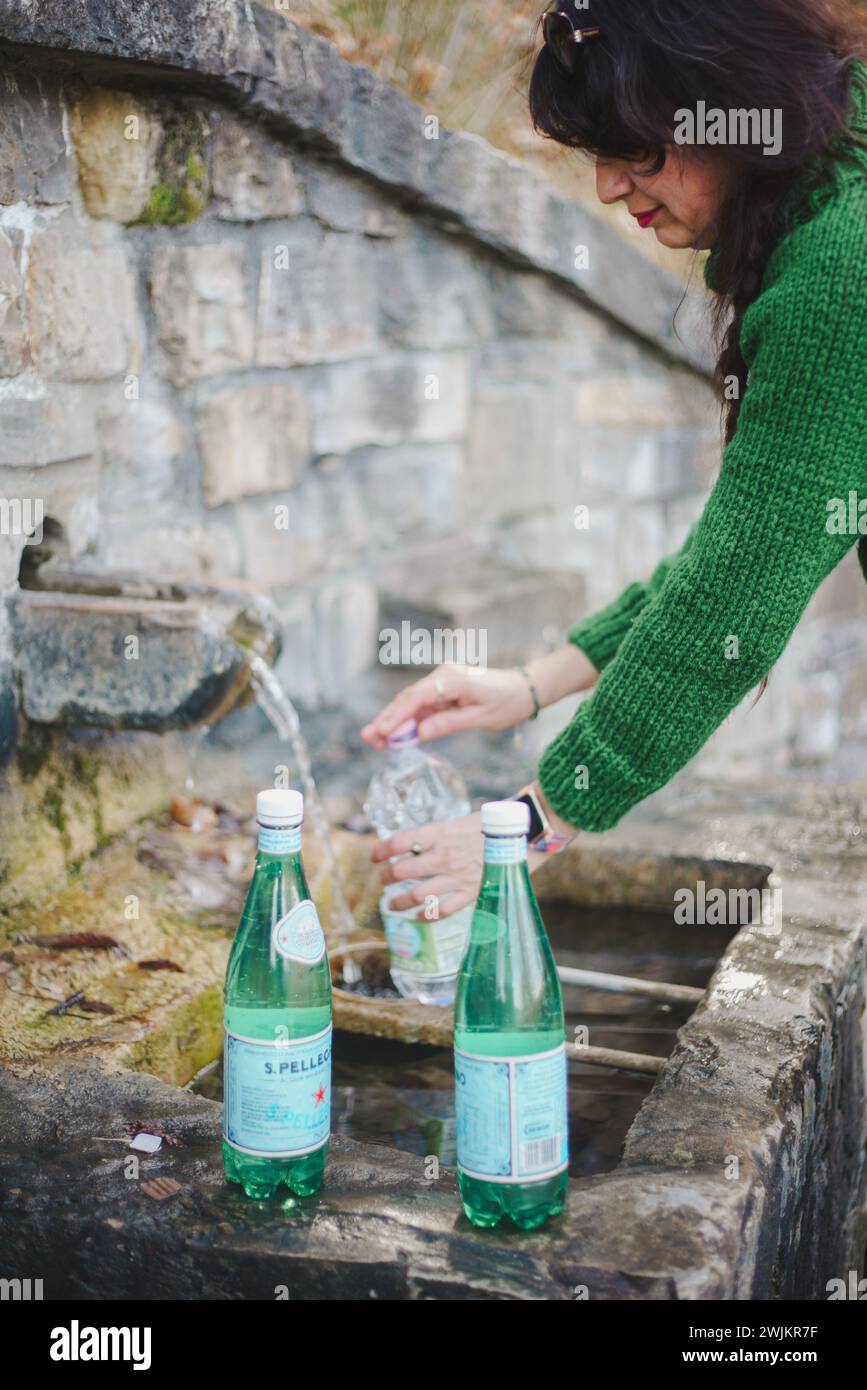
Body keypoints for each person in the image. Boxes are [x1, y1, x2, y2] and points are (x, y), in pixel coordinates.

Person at [361, 0, 867, 921]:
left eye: (629, 147)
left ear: (727, 102)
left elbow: (739, 591)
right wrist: (529, 685)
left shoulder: (842, 265)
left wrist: (538, 818)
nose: (604, 188)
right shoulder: (839, 177)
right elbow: (744, 547)